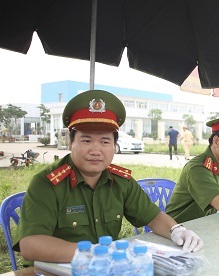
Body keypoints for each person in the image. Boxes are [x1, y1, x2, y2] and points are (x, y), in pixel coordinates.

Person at [13, 90, 204, 264]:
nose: (95, 150)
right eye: (86, 140)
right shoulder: (47, 183)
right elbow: (30, 245)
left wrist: (176, 231)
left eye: (105, 141)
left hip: (105, 272)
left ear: (114, 146)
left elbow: (153, 218)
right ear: (71, 143)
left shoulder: (121, 181)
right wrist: (92, 253)